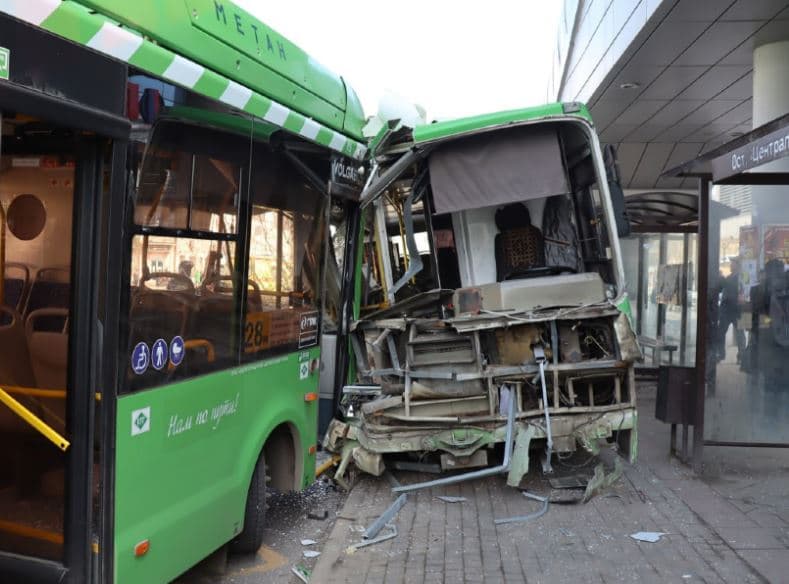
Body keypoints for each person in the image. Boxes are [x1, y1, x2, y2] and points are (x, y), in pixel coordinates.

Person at [717, 257, 745, 362]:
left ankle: (741, 357)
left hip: (736, 311)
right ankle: (721, 354)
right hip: (727, 311)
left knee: (740, 334)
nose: (730, 265)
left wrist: (721, 278)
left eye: (732, 263)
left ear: (737, 265)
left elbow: (732, 287)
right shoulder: (730, 277)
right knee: (721, 333)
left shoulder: (740, 277)